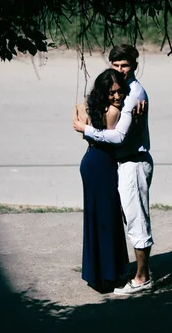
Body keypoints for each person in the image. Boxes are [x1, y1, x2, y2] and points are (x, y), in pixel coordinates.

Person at [73, 44, 154, 295]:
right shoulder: (118, 88)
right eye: (116, 65)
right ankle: (124, 271)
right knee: (119, 218)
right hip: (115, 163)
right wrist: (81, 114)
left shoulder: (133, 94)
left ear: (135, 66)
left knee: (136, 221)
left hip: (133, 161)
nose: (120, 69)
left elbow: (118, 137)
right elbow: (84, 103)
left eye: (125, 65)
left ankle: (142, 278)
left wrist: (85, 129)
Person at [75, 68, 130, 293]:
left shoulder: (90, 108)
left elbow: (78, 114)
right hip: (102, 164)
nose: (117, 97)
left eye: (119, 92)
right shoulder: (114, 112)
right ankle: (108, 273)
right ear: (104, 92)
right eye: (112, 92)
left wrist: (85, 118)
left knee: (98, 216)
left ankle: (97, 272)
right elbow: (113, 137)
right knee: (106, 218)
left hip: (92, 161)